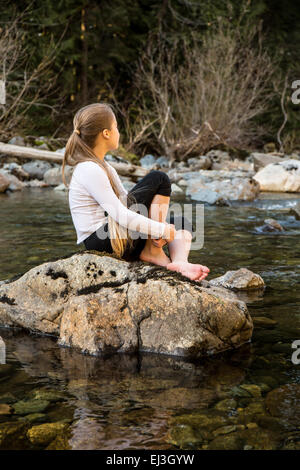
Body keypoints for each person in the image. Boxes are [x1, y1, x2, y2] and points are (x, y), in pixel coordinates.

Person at [62, 102, 209, 282]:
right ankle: (153, 251)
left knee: (180, 222)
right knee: (159, 178)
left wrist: (162, 227)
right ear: (106, 133)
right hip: (100, 241)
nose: (118, 132)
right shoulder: (88, 169)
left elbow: (128, 201)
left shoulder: (104, 166)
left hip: (115, 237)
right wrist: (160, 229)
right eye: (116, 126)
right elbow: (121, 213)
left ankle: (179, 263)